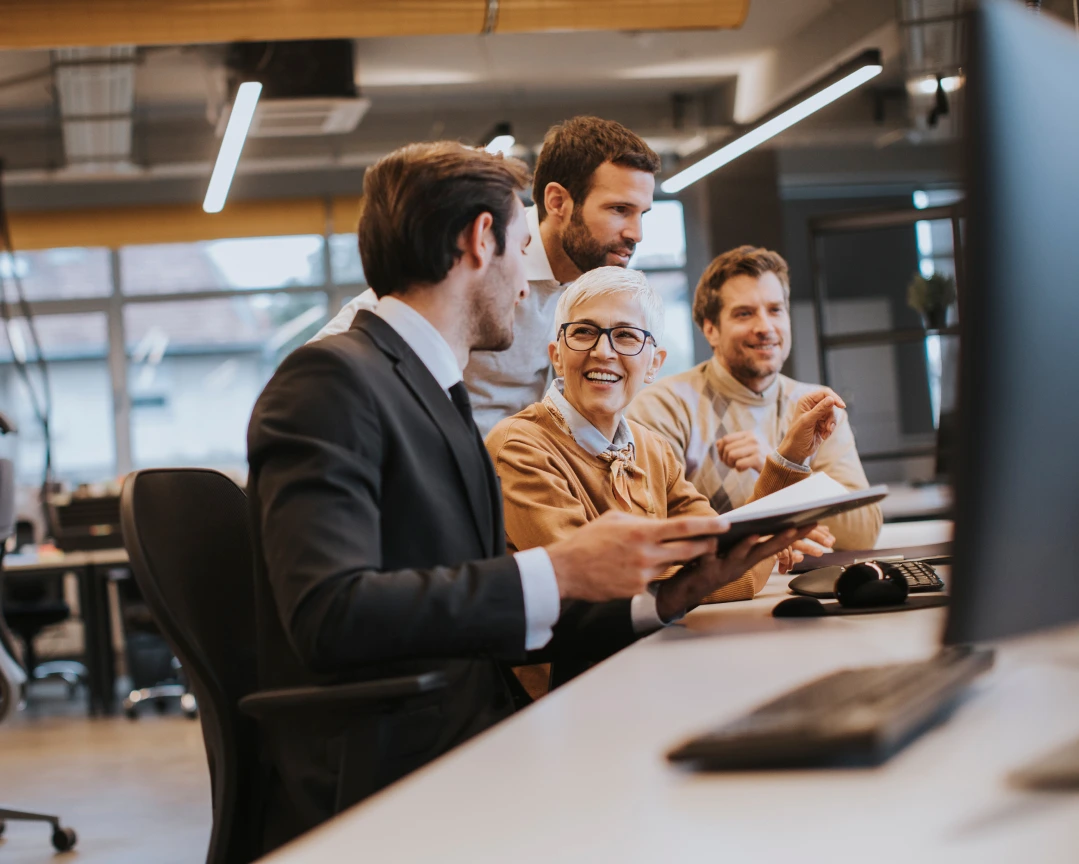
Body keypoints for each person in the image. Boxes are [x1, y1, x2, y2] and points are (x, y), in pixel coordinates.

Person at [247, 143, 807, 851]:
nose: (527, 285)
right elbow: (331, 615)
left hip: (470, 728)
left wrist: (667, 595)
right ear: (480, 241)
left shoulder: (430, 391)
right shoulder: (329, 383)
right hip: (404, 765)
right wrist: (559, 570)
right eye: (520, 250)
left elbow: (477, 611)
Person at [485, 268, 838, 695]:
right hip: (572, 695)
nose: (603, 352)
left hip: (652, 664)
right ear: (557, 354)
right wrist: (714, 564)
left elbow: (730, 563)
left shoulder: (653, 450)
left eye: (628, 336)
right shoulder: (519, 446)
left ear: (655, 363)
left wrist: (788, 458)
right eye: (583, 332)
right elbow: (596, 586)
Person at [311, 115, 661, 435]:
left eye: (642, 213)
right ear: (557, 202)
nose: (636, 233)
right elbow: (335, 357)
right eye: (619, 210)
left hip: (519, 475)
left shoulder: (595, 286)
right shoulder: (483, 259)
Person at [627, 246, 882, 550]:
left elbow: (864, 531)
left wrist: (778, 465)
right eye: (744, 313)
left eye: (775, 310)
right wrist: (769, 536)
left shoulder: (817, 407)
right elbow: (653, 531)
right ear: (711, 329)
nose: (765, 327)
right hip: (718, 596)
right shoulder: (664, 407)